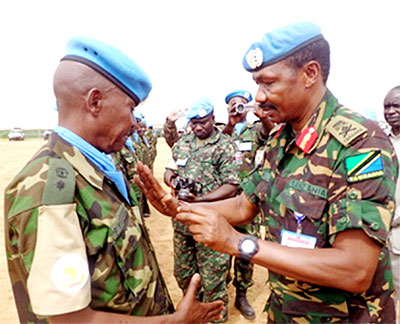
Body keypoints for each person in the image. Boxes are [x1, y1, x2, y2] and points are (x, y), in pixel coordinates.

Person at [135, 22, 398, 323]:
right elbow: (244, 205)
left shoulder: (359, 144)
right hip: (285, 311)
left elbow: (354, 269)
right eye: (257, 84)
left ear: (310, 73)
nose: (258, 97)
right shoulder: (280, 140)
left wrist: (238, 243)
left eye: (269, 83)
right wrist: (181, 208)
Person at [4, 36, 224, 324]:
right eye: (130, 107)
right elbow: (71, 320)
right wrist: (175, 321)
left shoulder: (93, 168)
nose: (135, 123)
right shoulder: (49, 188)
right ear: (95, 101)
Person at [164, 97, 241, 322]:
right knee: (183, 273)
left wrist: (203, 200)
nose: (198, 127)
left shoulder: (225, 145)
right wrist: (174, 182)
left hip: (211, 222)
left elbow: (232, 183)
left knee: (214, 278)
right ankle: (193, 311)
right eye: (194, 123)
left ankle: (216, 318)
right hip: (182, 222)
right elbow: (168, 170)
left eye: (204, 122)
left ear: (213, 119)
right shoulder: (183, 144)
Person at [222, 89, 274, 320]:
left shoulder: (255, 130)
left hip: (249, 201)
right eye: (233, 104)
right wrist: (230, 125)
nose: (237, 108)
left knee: (247, 250)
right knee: (220, 245)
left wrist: (262, 115)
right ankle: (220, 287)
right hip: (223, 201)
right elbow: (213, 145)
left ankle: (242, 294)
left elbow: (271, 133)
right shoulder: (223, 131)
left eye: (242, 104)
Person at [383, 85, 400, 316]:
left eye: (397, 105)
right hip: (379, 229)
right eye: (387, 105)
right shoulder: (378, 139)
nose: (391, 110)